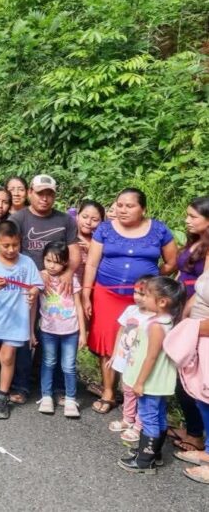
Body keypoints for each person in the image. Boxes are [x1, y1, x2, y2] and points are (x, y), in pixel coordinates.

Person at [82, 188, 177, 415]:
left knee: (139, 342)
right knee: (108, 342)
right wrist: (87, 292)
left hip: (144, 300)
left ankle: (134, 389)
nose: (123, 210)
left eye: (130, 206)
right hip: (106, 294)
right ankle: (108, 391)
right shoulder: (105, 229)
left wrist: (150, 283)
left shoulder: (159, 230)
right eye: (120, 205)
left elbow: (171, 263)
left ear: (143, 208)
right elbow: (92, 264)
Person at [8, 174, 80, 404]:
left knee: (58, 331)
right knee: (24, 334)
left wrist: (68, 271)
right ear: (30, 193)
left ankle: (57, 388)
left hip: (58, 287)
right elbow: (10, 251)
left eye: (49, 194)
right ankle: (21, 385)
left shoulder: (65, 220)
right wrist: (35, 273)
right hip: (27, 284)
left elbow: (74, 251)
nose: (45, 198)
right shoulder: (19, 218)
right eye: (40, 193)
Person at [0, 220, 43, 419]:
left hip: (17, 319)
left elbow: (36, 285)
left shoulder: (27, 262)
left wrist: (33, 291)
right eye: (6, 245)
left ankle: (3, 395)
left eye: (15, 245)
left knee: (7, 357)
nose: (11, 249)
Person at [118, 277, 185, 474]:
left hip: (150, 381)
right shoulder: (166, 320)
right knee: (158, 415)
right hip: (158, 381)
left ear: (162, 301)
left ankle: (145, 460)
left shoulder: (156, 325)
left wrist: (140, 382)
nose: (143, 298)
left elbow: (151, 357)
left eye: (147, 295)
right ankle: (154, 453)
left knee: (149, 418)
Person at [163, 272, 209, 482]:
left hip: (202, 332)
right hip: (200, 338)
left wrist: (192, 328)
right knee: (202, 397)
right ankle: (207, 451)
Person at [37, 241, 86, 418]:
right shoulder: (40, 277)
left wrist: (83, 332)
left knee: (69, 366)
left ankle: (71, 399)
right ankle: (46, 396)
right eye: (48, 260)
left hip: (70, 330)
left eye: (56, 262)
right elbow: (32, 301)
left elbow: (79, 306)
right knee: (49, 363)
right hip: (48, 329)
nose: (51, 265)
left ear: (65, 263)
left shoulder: (72, 279)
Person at [108, 275, 153, 442]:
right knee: (127, 389)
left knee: (141, 392)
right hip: (125, 358)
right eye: (136, 292)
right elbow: (121, 331)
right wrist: (114, 354)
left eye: (143, 294)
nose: (137, 297)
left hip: (141, 362)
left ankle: (139, 425)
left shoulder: (155, 318)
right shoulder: (130, 310)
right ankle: (128, 419)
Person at [75, 200, 105, 283]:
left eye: (94, 220)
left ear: (101, 222)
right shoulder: (68, 237)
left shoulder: (103, 243)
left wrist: (93, 251)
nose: (88, 222)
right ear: (77, 216)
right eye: (84, 217)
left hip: (93, 286)